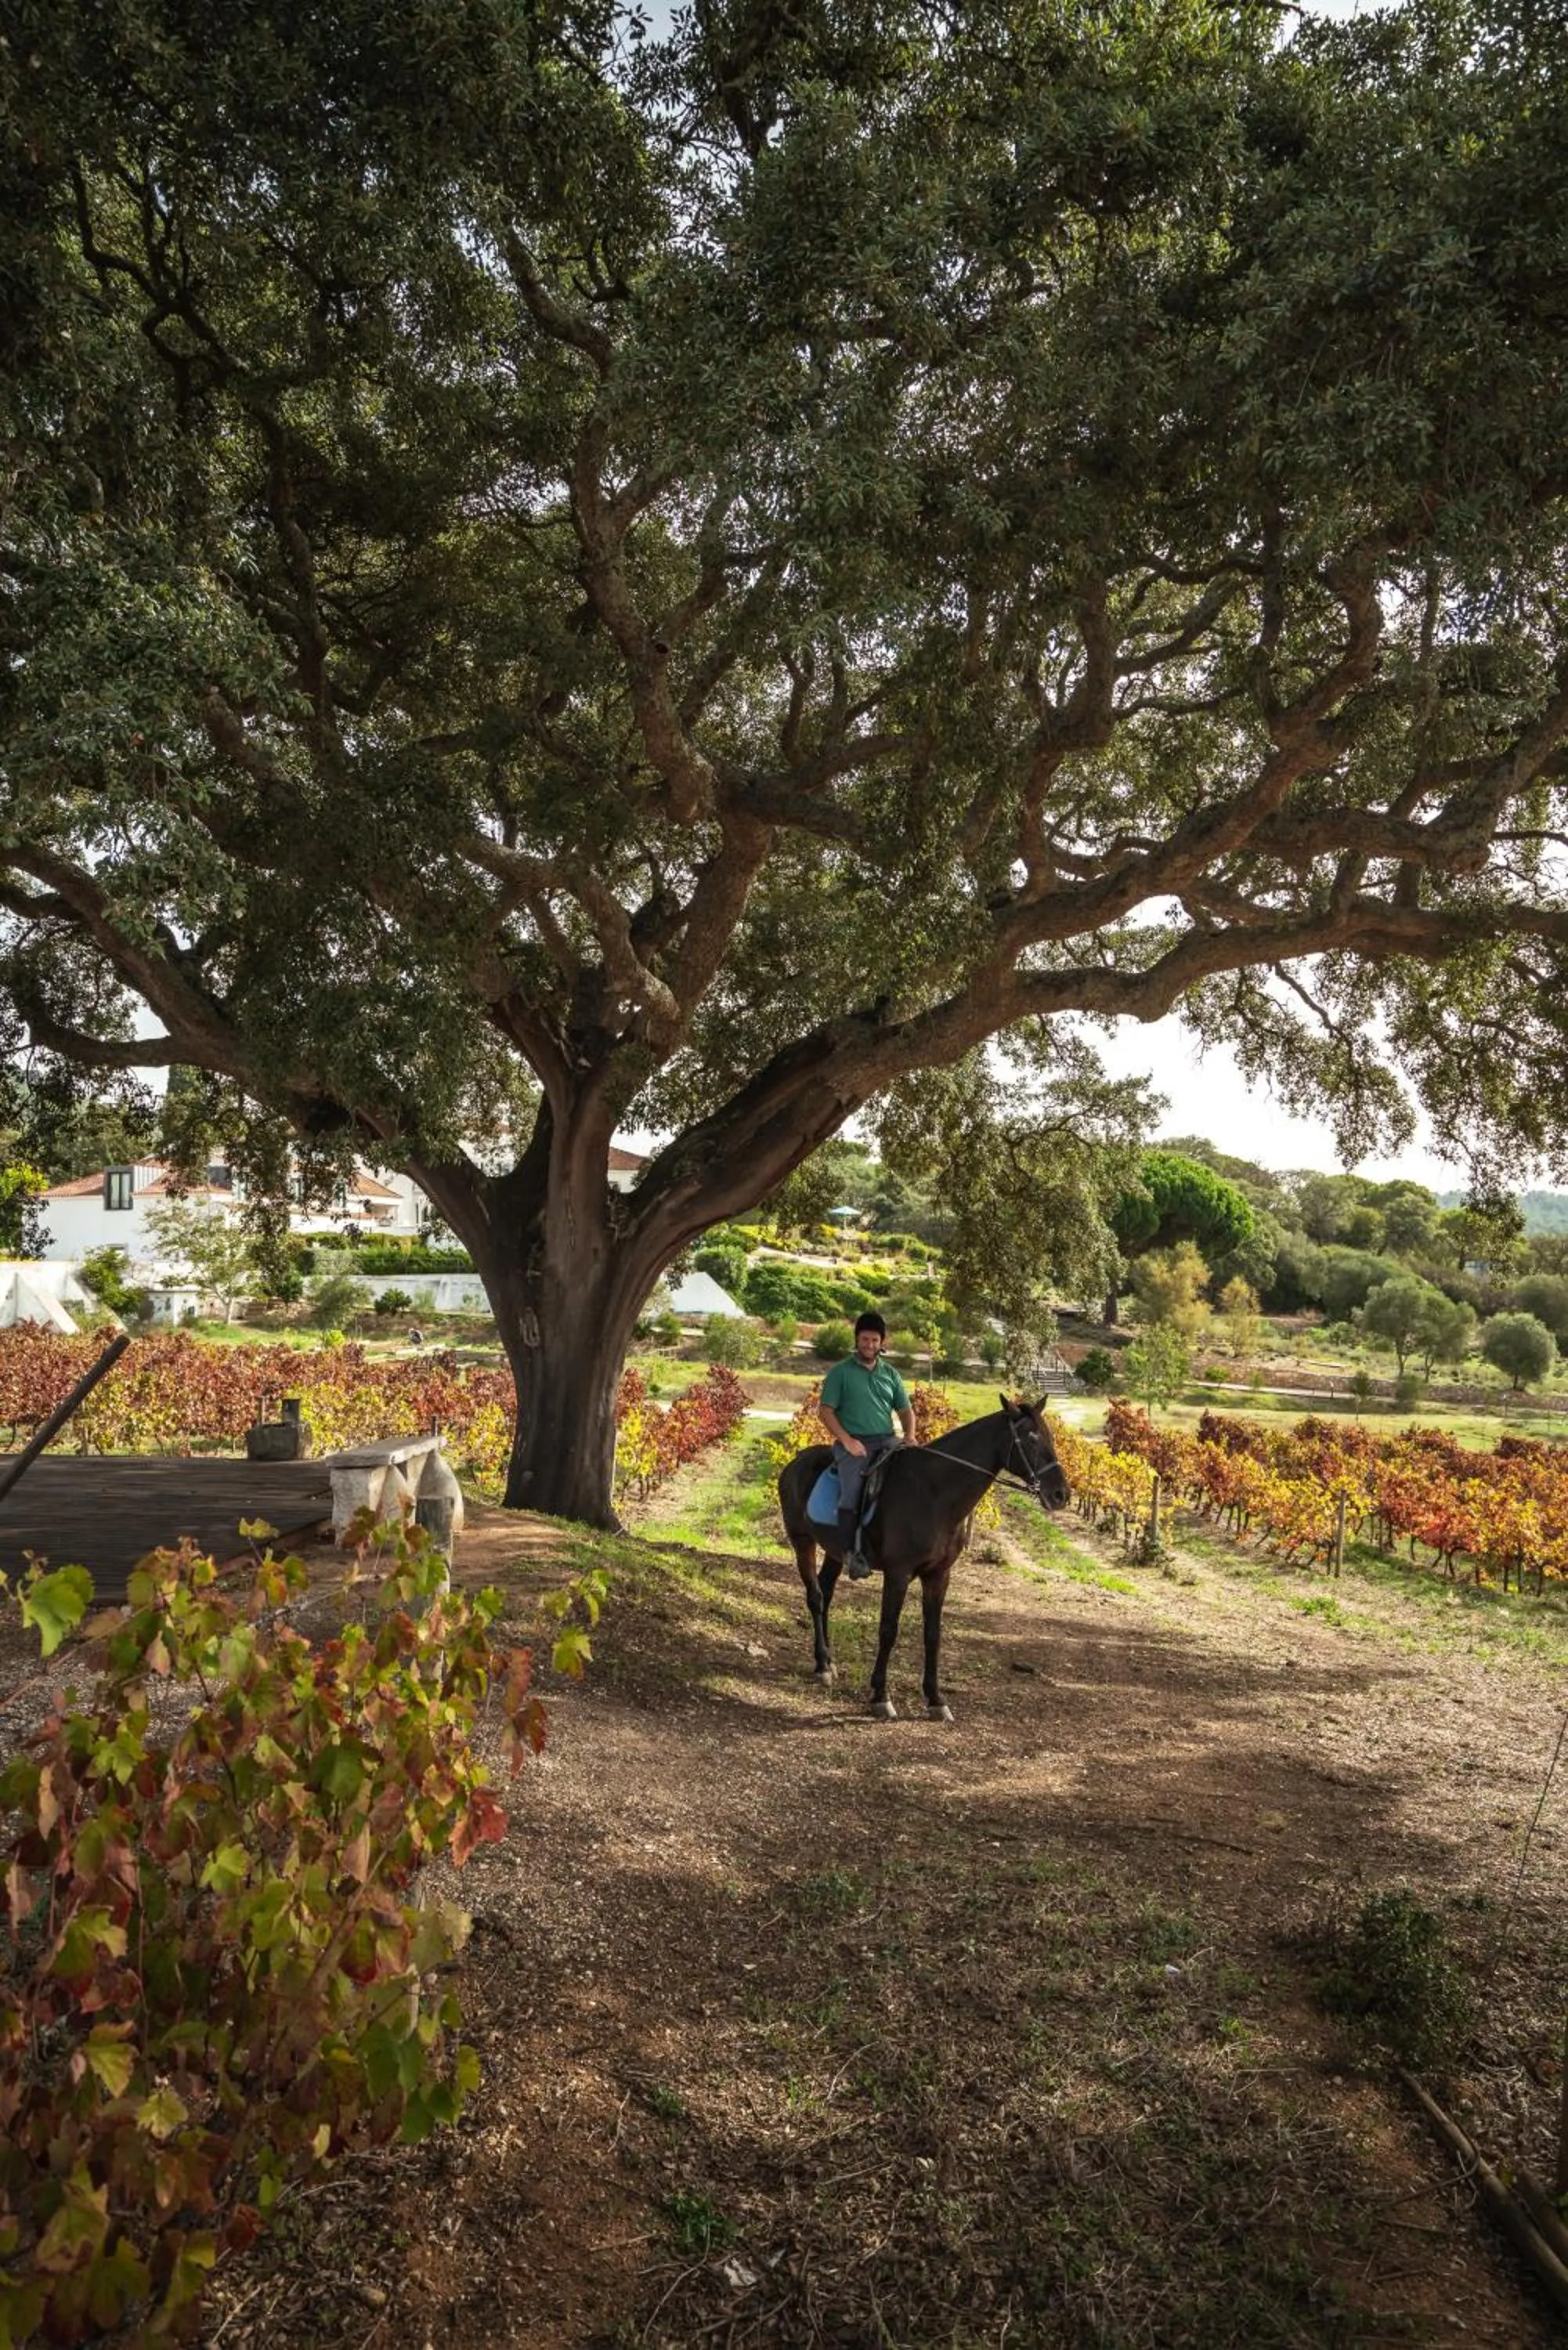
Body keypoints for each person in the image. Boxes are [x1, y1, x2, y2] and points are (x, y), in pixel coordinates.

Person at [818, 1310, 916, 1578]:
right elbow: (825, 1411)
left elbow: (905, 1410)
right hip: (854, 1445)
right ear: (857, 1339)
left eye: (874, 1340)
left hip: (888, 1440)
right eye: (865, 1339)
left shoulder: (891, 1374)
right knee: (852, 1494)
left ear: (882, 1342)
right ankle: (851, 1554)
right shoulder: (841, 1373)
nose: (869, 1345)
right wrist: (847, 1440)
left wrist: (909, 1436)